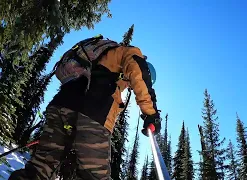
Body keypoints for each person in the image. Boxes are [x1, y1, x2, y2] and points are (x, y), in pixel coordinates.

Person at [8, 37, 161, 180]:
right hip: (92, 115)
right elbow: (139, 74)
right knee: (94, 176)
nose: (129, 85)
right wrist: (151, 114)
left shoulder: (101, 60)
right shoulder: (129, 54)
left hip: (60, 107)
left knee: (38, 170)